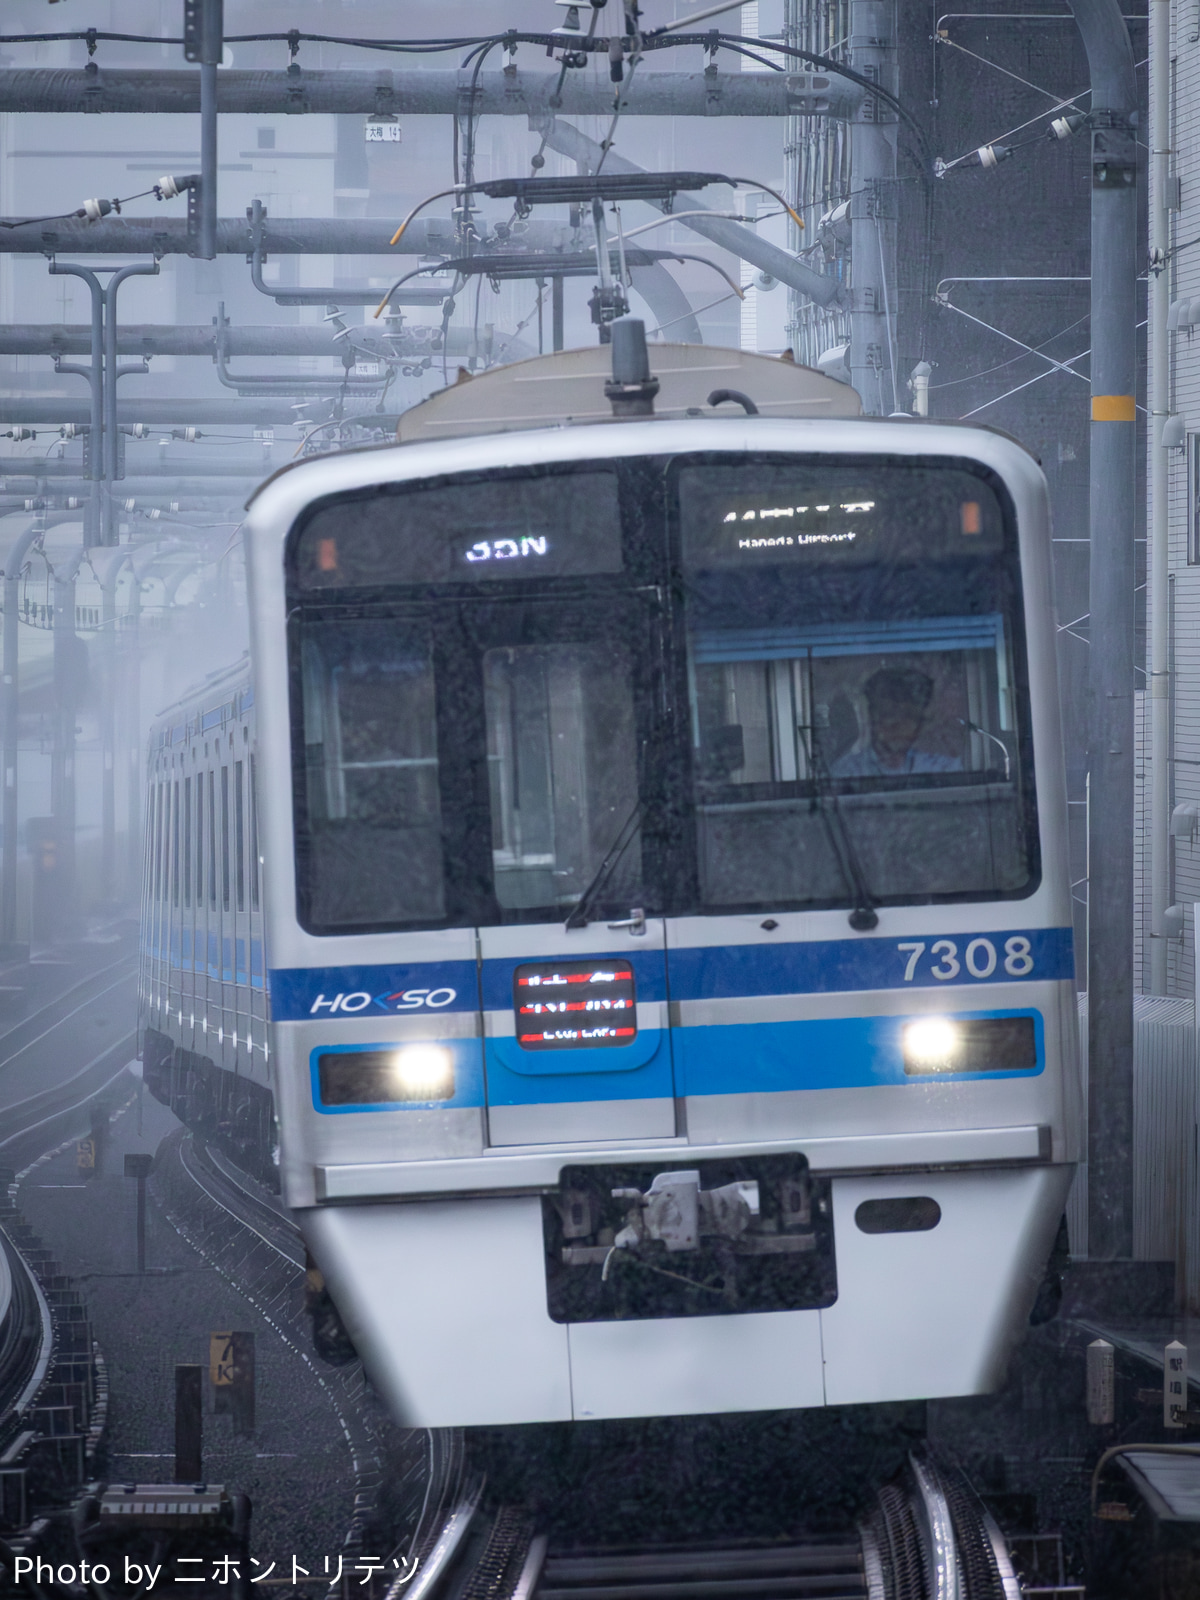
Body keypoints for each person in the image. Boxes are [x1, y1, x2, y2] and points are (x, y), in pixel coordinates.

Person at [830, 665, 963, 778]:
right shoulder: (845, 773)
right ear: (873, 717)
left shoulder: (945, 770)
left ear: (920, 723)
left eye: (908, 716)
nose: (898, 724)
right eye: (889, 714)